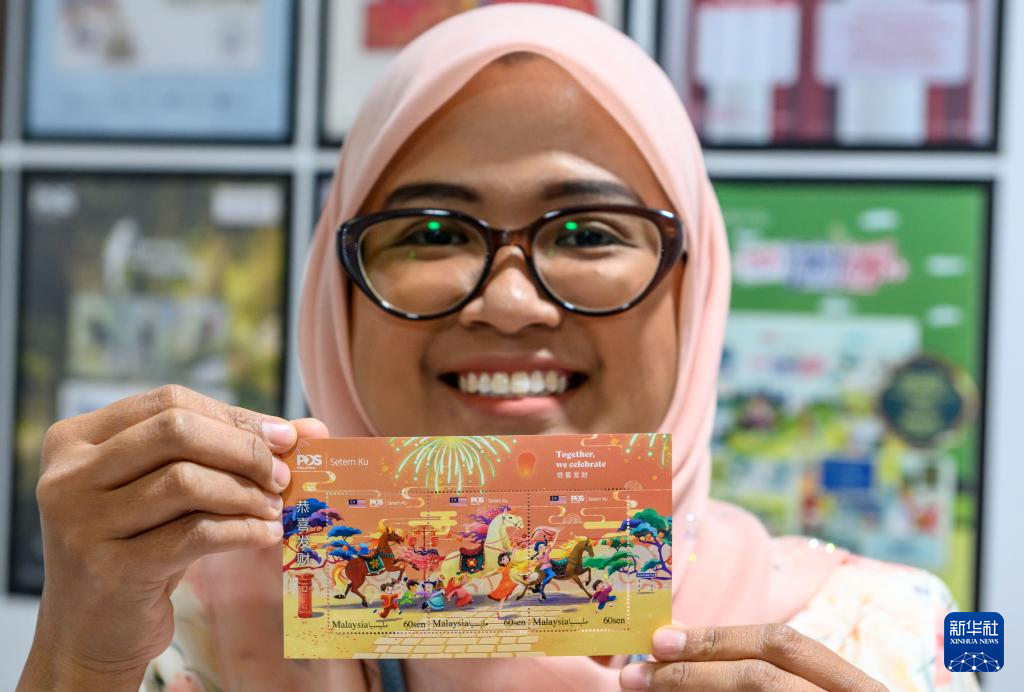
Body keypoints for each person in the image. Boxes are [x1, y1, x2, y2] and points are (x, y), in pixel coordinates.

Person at [17, 5, 975, 692]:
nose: (510, 303)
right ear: (335, 297)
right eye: (431, 234)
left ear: (695, 287)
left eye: (588, 233)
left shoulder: (904, 635)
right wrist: (78, 655)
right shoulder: (178, 629)